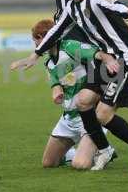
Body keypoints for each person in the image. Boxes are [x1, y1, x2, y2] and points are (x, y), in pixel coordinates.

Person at [11, 0, 128, 171]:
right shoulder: (71, 7)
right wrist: (35, 55)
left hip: (127, 60)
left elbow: (113, 5)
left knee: (103, 114)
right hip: (109, 61)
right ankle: (104, 150)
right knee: (84, 101)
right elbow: (56, 31)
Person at [31, 19, 116, 170]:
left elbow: (97, 53)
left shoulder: (70, 47)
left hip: (87, 117)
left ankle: (102, 148)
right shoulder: (48, 62)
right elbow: (56, 83)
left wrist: (108, 59)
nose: (35, 45)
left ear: (41, 37)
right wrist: (56, 91)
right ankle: (83, 151)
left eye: (35, 40)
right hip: (68, 118)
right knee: (48, 163)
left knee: (80, 165)